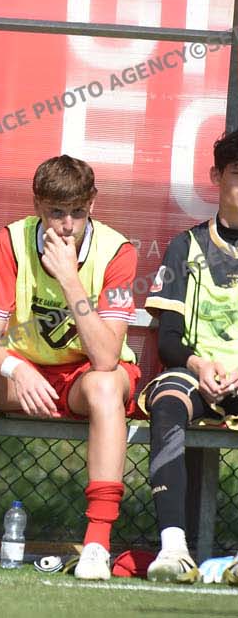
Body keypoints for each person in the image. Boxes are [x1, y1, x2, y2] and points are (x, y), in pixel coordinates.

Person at [0, 155, 139, 580]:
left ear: (92, 204)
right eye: (56, 212)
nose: (67, 225)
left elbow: (106, 358)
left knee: (104, 385)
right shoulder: (12, 240)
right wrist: (16, 369)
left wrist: (69, 279)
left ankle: (97, 545)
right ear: (37, 205)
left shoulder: (117, 250)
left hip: (86, 378)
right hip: (27, 375)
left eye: (77, 212)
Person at [142, 129, 238, 583]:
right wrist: (200, 365)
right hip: (196, 376)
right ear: (216, 177)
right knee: (167, 401)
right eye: (237, 173)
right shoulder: (186, 246)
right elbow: (168, 341)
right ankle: (174, 549)